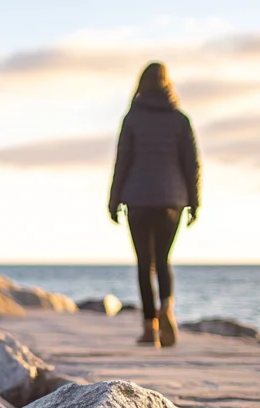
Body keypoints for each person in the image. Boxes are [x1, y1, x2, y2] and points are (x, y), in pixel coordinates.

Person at [108, 62, 200, 347]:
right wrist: (194, 202)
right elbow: (192, 165)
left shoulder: (133, 118)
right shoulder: (180, 119)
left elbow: (122, 161)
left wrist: (113, 200)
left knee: (143, 265)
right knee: (163, 262)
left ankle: (150, 327)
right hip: (172, 201)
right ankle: (167, 308)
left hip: (137, 200)